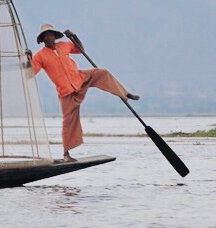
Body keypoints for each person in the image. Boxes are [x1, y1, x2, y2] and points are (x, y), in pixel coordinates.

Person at [28, 23, 139, 162]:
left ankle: (125, 93)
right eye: (46, 36)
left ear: (54, 36)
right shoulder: (39, 56)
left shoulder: (64, 45)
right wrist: (28, 59)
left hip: (80, 79)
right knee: (68, 122)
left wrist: (74, 36)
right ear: (42, 39)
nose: (49, 37)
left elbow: (81, 49)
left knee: (102, 72)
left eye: (51, 35)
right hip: (66, 92)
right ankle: (66, 154)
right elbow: (30, 73)